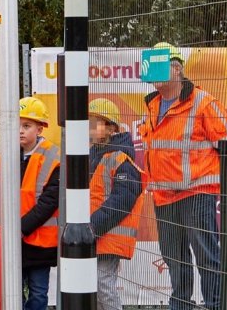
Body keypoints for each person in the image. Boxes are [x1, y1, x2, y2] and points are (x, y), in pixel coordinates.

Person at [138, 42, 227, 310]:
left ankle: (217, 306)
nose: (152, 73)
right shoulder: (152, 105)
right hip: (164, 197)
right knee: (174, 258)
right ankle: (180, 305)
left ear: (176, 68)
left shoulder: (203, 102)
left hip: (196, 194)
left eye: (159, 66)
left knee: (206, 256)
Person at [0, 97, 59, 310]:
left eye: (26, 126)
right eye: (16, 125)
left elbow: (49, 202)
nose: (20, 131)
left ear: (40, 129)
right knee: (12, 294)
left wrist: (20, 228)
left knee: (38, 294)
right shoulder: (4, 156)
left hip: (40, 243)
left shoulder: (53, 157)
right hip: (13, 241)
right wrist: (7, 224)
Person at [88, 98, 145, 310]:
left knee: (103, 286)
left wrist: (91, 226)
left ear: (111, 128)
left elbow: (120, 202)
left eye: (95, 122)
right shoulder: (93, 156)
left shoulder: (122, 160)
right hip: (94, 233)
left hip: (107, 234)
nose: (90, 128)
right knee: (93, 288)